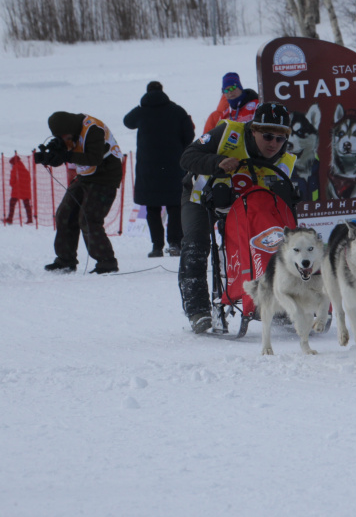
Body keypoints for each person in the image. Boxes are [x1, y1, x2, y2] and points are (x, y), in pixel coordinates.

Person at [177, 102, 297, 333]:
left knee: (269, 241)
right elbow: (187, 157)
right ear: (253, 130)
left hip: (242, 205)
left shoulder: (284, 160)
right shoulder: (228, 133)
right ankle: (198, 310)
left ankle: (274, 301)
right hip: (200, 197)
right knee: (196, 244)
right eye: (267, 136)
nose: (273, 144)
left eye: (280, 139)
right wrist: (217, 162)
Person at [42, 112, 124, 274]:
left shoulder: (93, 129)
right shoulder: (71, 133)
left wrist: (66, 155)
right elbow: (69, 154)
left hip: (105, 177)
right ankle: (65, 260)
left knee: (88, 218)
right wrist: (51, 157)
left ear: (69, 128)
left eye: (63, 136)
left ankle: (107, 263)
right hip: (85, 177)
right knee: (65, 214)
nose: (63, 138)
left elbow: (94, 159)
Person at [123, 81, 196, 257]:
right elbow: (189, 134)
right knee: (175, 206)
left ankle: (156, 246)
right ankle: (174, 243)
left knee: (152, 208)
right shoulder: (177, 111)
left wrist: (141, 106)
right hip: (173, 166)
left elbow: (127, 122)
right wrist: (180, 149)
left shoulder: (142, 111)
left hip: (148, 169)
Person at [4, 154, 33, 225]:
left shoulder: (15, 168)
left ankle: (10, 219)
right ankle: (30, 220)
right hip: (26, 190)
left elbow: (12, 180)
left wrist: (13, 185)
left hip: (17, 189)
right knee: (27, 204)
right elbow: (29, 179)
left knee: (12, 203)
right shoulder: (25, 169)